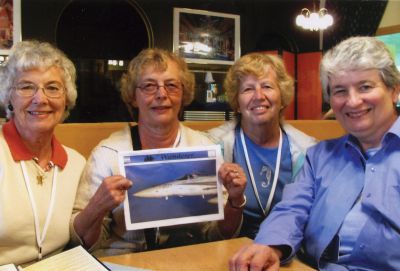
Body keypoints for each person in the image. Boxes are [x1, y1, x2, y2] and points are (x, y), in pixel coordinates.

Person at [229, 36, 400, 271]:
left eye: (365, 87)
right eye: (340, 90)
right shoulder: (319, 156)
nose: (353, 101)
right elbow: (292, 209)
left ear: (395, 90)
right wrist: (269, 246)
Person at [71, 48, 246, 256]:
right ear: (133, 97)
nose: (162, 94)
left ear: (184, 94)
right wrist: (96, 208)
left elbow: (218, 235)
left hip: (191, 259)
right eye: (149, 86)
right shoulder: (107, 153)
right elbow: (83, 244)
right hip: (127, 261)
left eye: (171, 85)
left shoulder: (203, 147)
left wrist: (235, 202)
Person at [207, 52, 316, 239]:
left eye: (267, 86)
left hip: (288, 249)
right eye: (248, 89)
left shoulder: (308, 150)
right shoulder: (214, 146)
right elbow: (212, 234)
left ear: (282, 97)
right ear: (237, 103)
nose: (259, 96)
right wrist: (235, 201)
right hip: (230, 251)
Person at [0, 40, 85, 266]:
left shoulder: (76, 164)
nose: (40, 99)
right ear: (9, 97)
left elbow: (79, 237)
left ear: (66, 99)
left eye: (53, 88)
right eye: (27, 87)